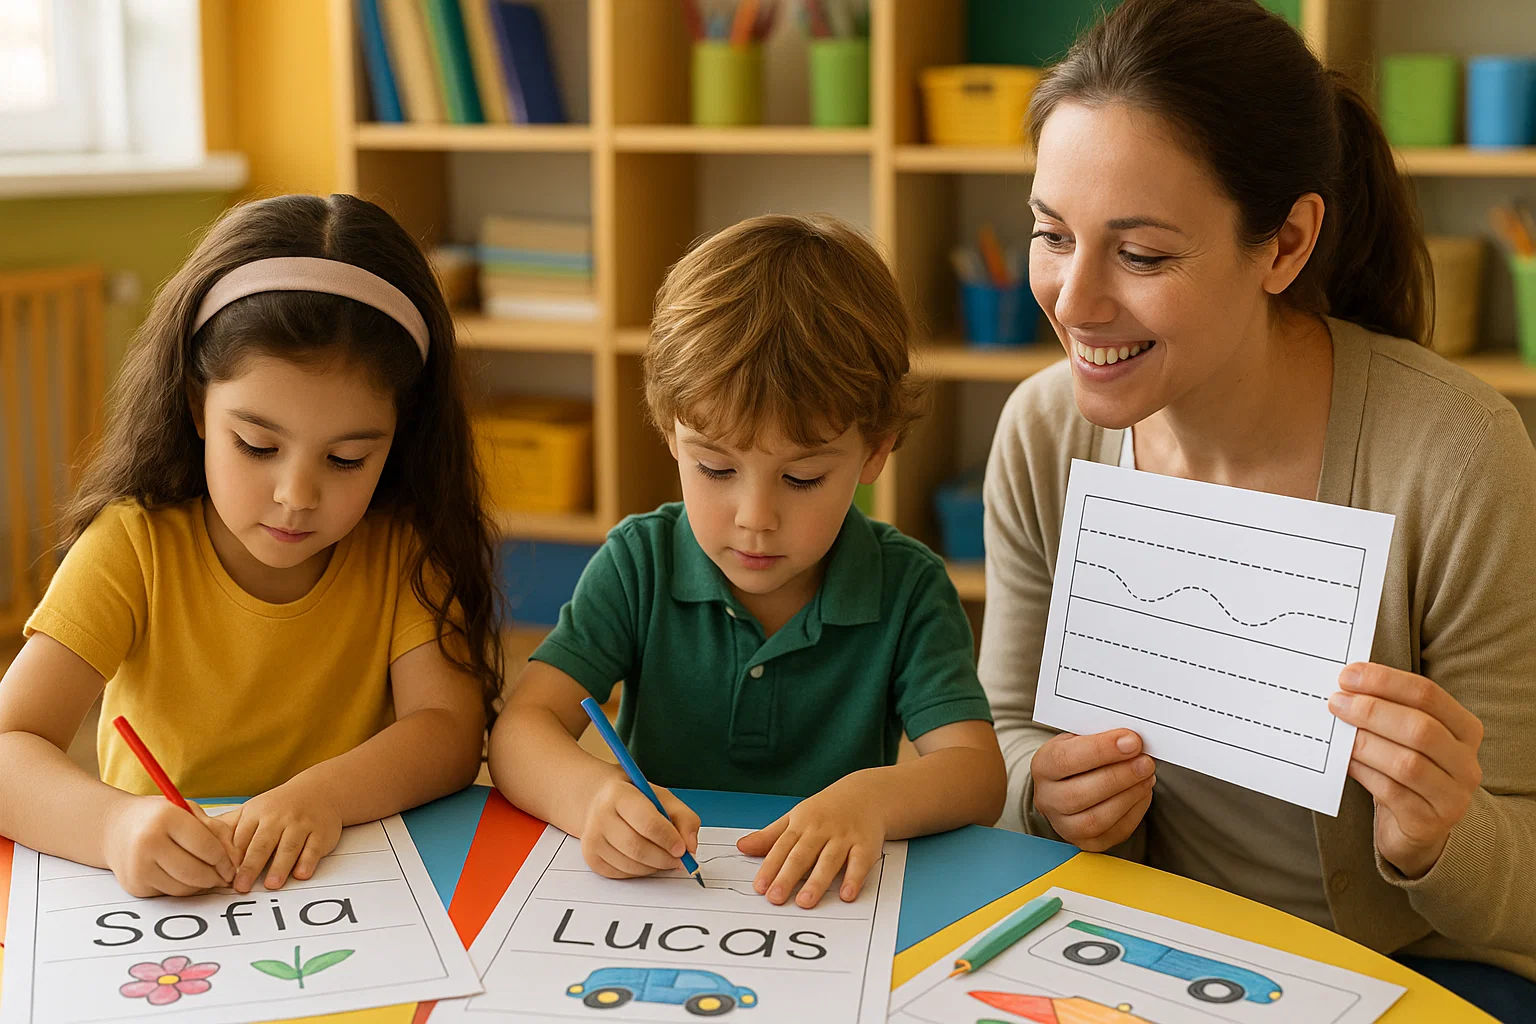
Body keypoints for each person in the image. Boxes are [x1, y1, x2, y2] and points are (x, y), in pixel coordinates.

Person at [979, 0, 1536, 1018]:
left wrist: (1437, 833)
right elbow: (1001, 730)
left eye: (1141, 255)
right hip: (1134, 946)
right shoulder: (1041, 434)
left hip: (1412, 969)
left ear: (1285, 244)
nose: (1073, 299)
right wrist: (1040, 788)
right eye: (1052, 235)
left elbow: (1524, 874)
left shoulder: (1459, 452)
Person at [490, 214, 1007, 910]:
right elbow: (521, 730)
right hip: (664, 899)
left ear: (876, 451)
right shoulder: (639, 562)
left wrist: (871, 800)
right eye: (714, 467)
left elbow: (975, 774)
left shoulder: (909, 588)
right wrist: (590, 797)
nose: (753, 517)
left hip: (826, 914)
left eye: (800, 480)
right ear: (671, 436)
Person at [0, 194, 502, 899]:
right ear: (196, 404)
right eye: (258, 445)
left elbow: (449, 732)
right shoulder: (134, 546)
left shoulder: (401, 549)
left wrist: (322, 797)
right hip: (169, 901)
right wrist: (113, 827)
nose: (296, 495)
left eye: (348, 459)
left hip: (348, 885)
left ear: (400, 439)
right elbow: (8, 745)